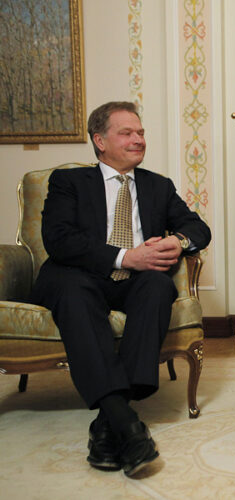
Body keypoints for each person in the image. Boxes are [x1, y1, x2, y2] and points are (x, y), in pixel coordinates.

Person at [30, 101, 211, 476]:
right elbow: (59, 240)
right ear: (100, 141)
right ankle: (127, 425)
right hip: (79, 274)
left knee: (158, 288)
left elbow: (198, 229)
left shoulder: (158, 186)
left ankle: (107, 423)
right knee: (74, 292)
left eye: (141, 132)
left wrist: (178, 241)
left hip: (137, 282)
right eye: (126, 133)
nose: (138, 139)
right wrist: (126, 257)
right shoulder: (70, 182)